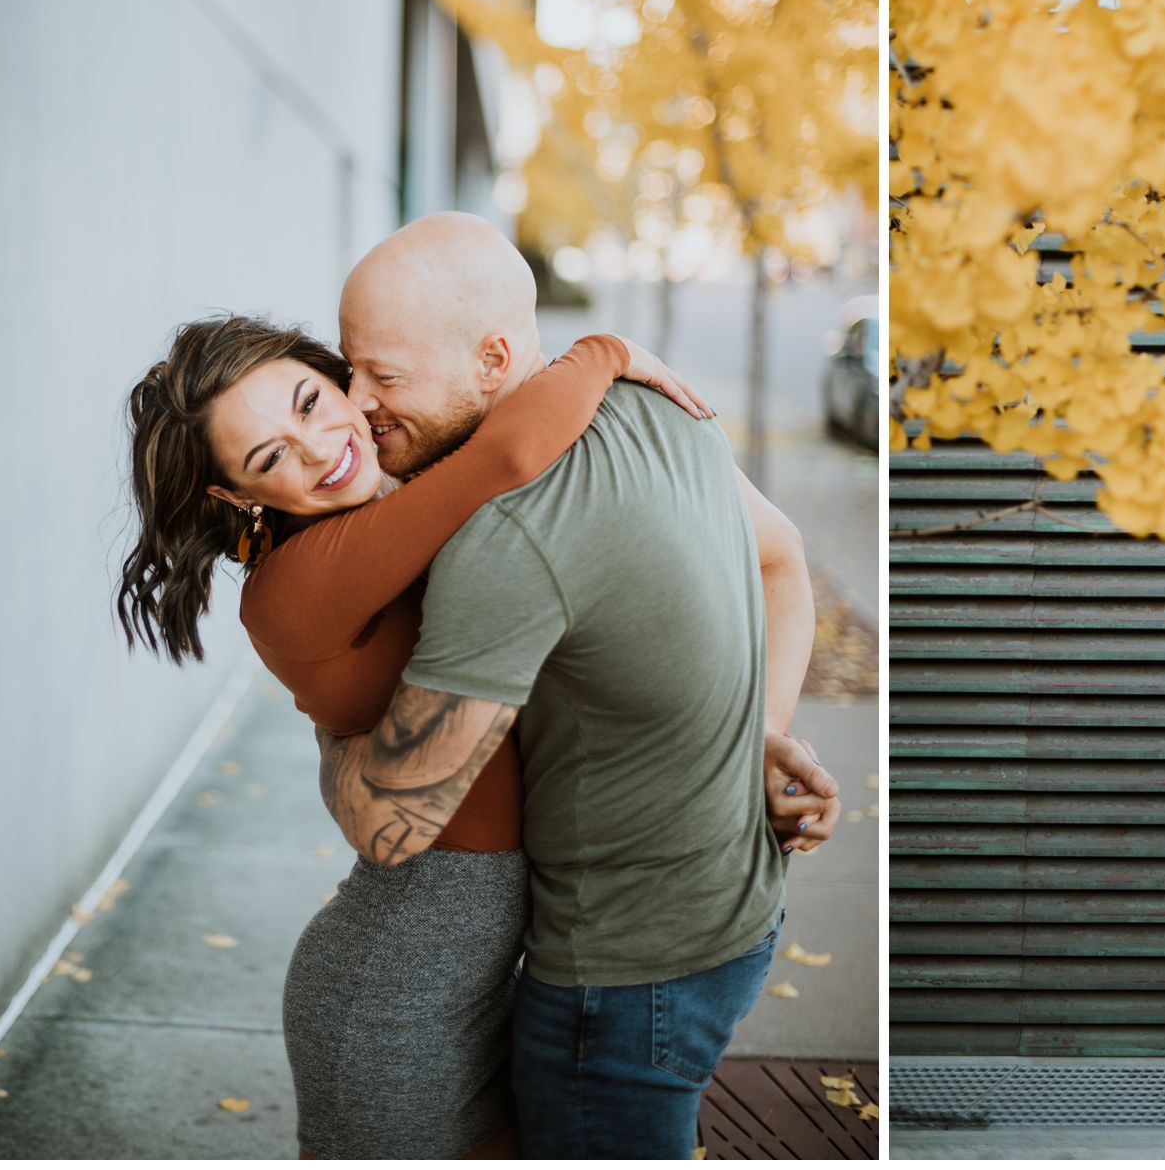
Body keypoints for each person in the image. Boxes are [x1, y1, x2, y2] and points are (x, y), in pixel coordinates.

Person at [116, 219, 836, 1158]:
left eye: (317, 395)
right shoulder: (307, 578)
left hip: (516, 961)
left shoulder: (423, 503)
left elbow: (771, 565)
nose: (333, 434)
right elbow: (505, 456)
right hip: (403, 984)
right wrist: (602, 352)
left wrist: (745, 743)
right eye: (266, 459)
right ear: (237, 498)